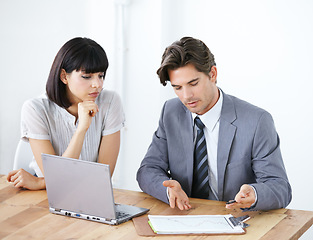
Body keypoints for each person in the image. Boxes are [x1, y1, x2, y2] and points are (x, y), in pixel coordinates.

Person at [136, 36, 292, 211]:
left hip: (236, 221)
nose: (186, 96)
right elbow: (148, 170)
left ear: (213, 74)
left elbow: (280, 188)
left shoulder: (256, 121)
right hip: (184, 217)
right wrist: (167, 190)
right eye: (177, 87)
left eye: (193, 83)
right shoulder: (170, 112)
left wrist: (256, 193)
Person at [7, 37, 125, 190]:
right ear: (64, 76)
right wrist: (82, 128)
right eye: (87, 76)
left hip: (90, 193)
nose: (97, 84)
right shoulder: (35, 109)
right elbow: (58, 182)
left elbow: (103, 178)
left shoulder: (110, 102)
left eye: (101, 75)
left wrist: (40, 182)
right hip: (45, 197)